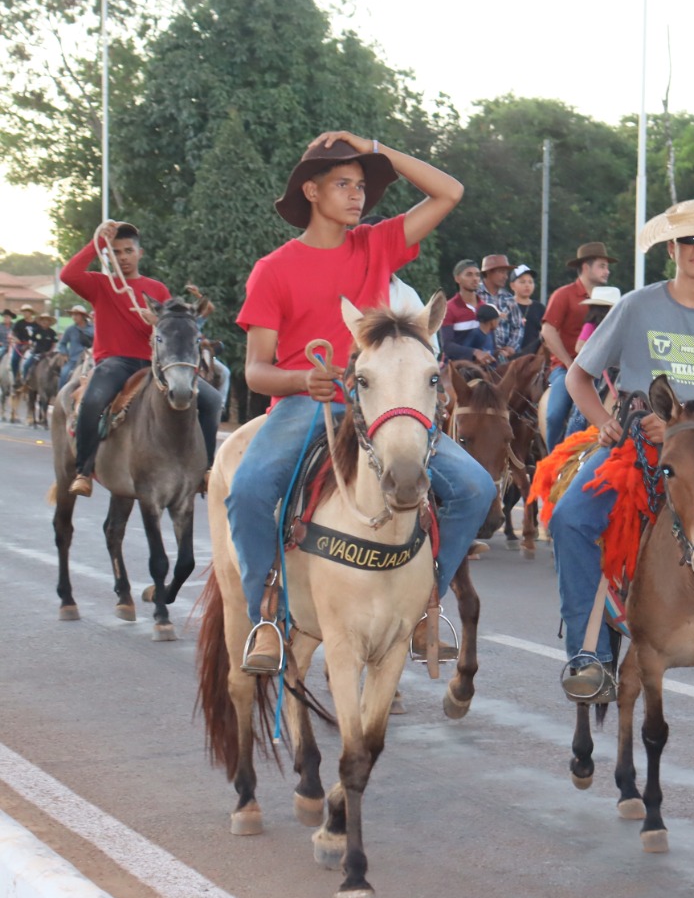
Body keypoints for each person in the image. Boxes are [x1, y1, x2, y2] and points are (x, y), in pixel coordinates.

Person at [227, 130, 496, 669]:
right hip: (306, 404)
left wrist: (376, 148)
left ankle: (424, 602)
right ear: (310, 191)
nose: (358, 195)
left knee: (476, 488)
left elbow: (450, 192)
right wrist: (302, 381)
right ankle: (268, 616)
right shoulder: (273, 269)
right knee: (248, 491)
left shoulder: (376, 244)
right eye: (343, 185)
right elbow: (255, 371)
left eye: (361, 185)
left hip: (383, 404)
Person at [552, 201, 694, 700]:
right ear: (672, 249)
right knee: (570, 518)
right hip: (636, 447)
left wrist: (684, 429)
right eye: (689, 240)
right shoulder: (636, 306)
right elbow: (578, 376)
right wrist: (604, 423)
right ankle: (589, 656)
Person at [58, 222, 224, 496]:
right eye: (116, 252)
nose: (123, 257)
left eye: (128, 251)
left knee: (213, 400)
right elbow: (68, 274)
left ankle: (205, 469)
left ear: (139, 253)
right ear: (109, 255)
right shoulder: (100, 284)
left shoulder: (157, 288)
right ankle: (84, 471)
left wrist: (157, 321)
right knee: (93, 400)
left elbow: (174, 329)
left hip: (153, 364)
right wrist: (97, 243)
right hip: (115, 363)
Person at [541, 242, 617, 450]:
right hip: (564, 368)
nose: (607, 271)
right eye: (602, 266)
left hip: (602, 369)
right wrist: (569, 363)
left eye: (607, 267)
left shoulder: (608, 298)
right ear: (585, 267)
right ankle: (556, 458)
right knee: (555, 414)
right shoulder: (563, 295)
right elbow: (548, 331)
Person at [476, 253, 521, 360]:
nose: (505, 276)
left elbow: (518, 326)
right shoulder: (475, 295)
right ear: (488, 272)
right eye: (501, 272)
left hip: (505, 356)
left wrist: (511, 347)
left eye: (506, 273)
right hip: (479, 354)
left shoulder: (509, 299)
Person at [508, 264, 544, 351]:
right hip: (511, 353)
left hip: (533, 355)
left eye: (530, 282)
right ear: (512, 285)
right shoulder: (506, 305)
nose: (527, 285)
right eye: (522, 282)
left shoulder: (539, 308)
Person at [57, 305, 93, 390]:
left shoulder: (93, 328)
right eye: (73, 315)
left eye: (76, 315)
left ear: (83, 316)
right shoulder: (70, 330)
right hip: (73, 360)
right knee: (64, 374)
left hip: (90, 360)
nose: (74, 317)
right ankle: (60, 395)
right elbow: (62, 344)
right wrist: (64, 353)